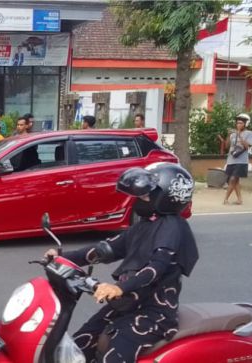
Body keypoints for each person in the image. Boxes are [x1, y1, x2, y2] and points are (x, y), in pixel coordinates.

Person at [44, 163, 197, 363]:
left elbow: (155, 268)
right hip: (127, 305)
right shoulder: (145, 224)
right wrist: (62, 257)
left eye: (144, 195)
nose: (138, 200)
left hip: (153, 313)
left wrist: (118, 288)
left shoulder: (173, 228)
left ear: (168, 196)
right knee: (78, 345)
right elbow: (106, 249)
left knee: (114, 358)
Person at [218, 113, 252, 205]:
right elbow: (227, 146)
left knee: (232, 179)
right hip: (231, 160)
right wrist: (228, 135)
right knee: (235, 181)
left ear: (245, 124)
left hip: (241, 161)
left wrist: (240, 135)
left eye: (240, 123)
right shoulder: (233, 134)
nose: (238, 125)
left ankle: (225, 199)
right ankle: (240, 199)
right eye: (237, 123)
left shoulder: (249, 133)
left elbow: (247, 146)